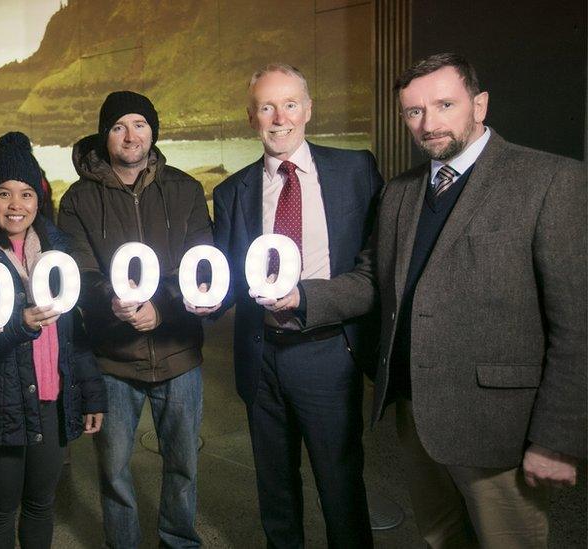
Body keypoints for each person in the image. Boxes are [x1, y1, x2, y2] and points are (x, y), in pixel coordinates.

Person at [293, 52, 587, 548]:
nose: (429, 124)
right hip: (416, 416)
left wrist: (558, 439)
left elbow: (577, 325)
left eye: (444, 104)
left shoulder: (550, 182)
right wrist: (297, 298)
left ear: (480, 104)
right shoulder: (402, 193)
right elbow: (372, 280)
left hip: (499, 429)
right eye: (414, 111)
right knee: (441, 539)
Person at [209, 64, 382, 547]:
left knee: (341, 488)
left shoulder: (355, 171)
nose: (278, 117)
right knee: (276, 494)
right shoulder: (232, 192)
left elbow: (375, 267)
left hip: (328, 353)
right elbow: (225, 279)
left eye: (289, 104)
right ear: (251, 117)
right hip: (260, 355)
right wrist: (204, 302)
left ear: (308, 110)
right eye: (266, 106)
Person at [57, 91, 213, 548]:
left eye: (140, 124)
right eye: (118, 126)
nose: (131, 135)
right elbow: (80, 271)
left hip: (179, 354)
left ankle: (179, 540)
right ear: (104, 136)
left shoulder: (183, 189)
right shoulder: (78, 200)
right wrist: (112, 302)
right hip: (113, 361)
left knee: (183, 465)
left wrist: (161, 308)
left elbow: (201, 266)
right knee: (114, 470)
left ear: (153, 132)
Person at [0, 131, 107, 549]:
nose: (16, 205)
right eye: (4, 193)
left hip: (51, 399)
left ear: (39, 199)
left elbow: (75, 334)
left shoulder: (56, 248)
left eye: (26, 194)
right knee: (1, 510)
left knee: (41, 504)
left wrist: (92, 394)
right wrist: (21, 325)